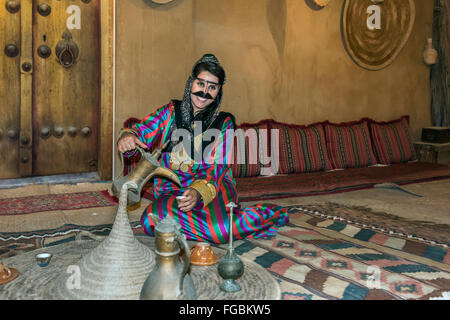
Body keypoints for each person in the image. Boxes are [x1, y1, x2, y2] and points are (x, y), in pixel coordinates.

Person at [117, 54, 289, 244]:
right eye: (200, 84)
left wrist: (198, 193)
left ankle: (264, 214)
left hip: (211, 186)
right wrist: (128, 138)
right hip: (174, 190)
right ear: (191, 83)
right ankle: (200, 223)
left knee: (220, 233)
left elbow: (217, 167)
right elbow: (141, 133)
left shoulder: (223, 122)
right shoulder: (171, 112)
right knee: (151, 221)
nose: (204, 92)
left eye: (212, 87)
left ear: (218, 92)